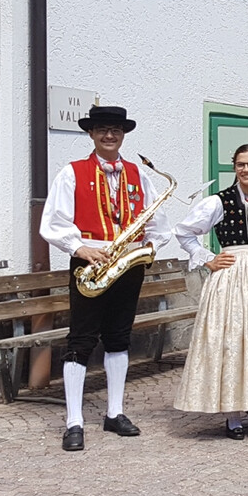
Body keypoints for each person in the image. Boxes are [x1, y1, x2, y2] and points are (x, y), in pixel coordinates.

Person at [39, 106, 172, 452]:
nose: (109, 136)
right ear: (91, 134)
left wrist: (148, 248)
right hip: (90, 262)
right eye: (102, 130)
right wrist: (80, 249)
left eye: (115, 130)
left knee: (118, 337)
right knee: (81, 340)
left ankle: (114, 412)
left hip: (127, 264)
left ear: (123, 134)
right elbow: (53, 221)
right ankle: (74, 421)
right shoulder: (72, 172)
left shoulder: (137, 174)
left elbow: (157, 221)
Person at [173, 144, 248, 439]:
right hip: (231, 278)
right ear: (235, 168)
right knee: (232, 341)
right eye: (240, 164)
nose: (246, 169)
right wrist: (207, 259)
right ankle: (233, 415)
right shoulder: (219, 201)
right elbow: (184, 231)